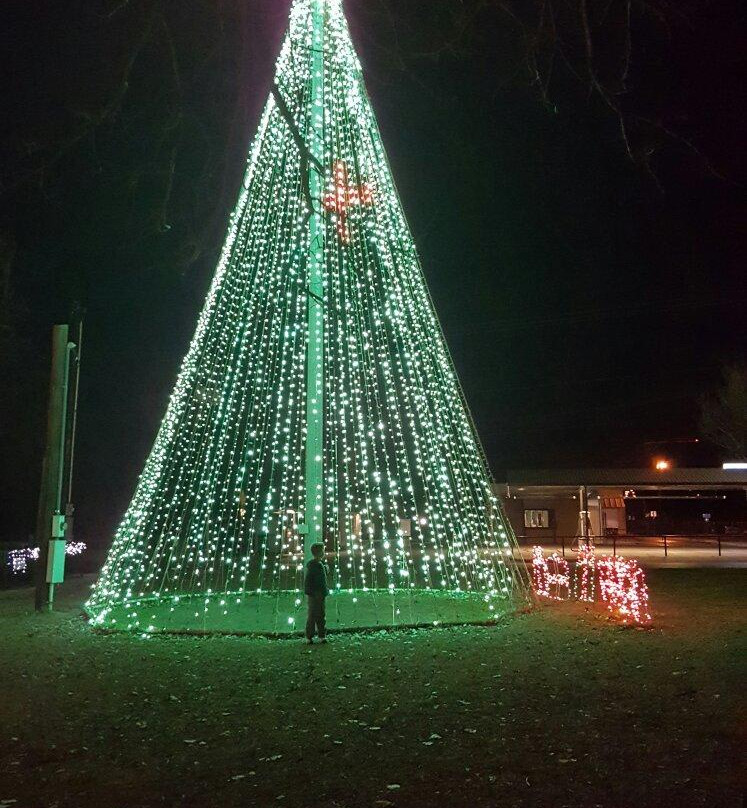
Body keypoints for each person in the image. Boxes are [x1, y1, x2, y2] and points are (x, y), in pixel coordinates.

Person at [304, 542, 329, 644]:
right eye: (323, 550)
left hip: (320, 594)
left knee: (321, 615)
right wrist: (312, 593)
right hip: (315, 595)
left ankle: (321, 635)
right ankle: (309, 636)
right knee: (313, 615)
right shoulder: (313, 566)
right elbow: (309, 581)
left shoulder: (321, 564)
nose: (324, 552)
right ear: (319, 552)